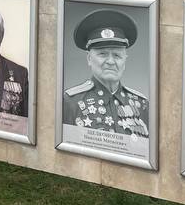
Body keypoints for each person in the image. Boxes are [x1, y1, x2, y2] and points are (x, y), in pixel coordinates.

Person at [61, 9, 149, 137]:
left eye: (117, 55)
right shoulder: (70, 103)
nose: (111, 61)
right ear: (89, 59)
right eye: (102, 54)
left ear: (125, 60)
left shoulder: (142, 104)